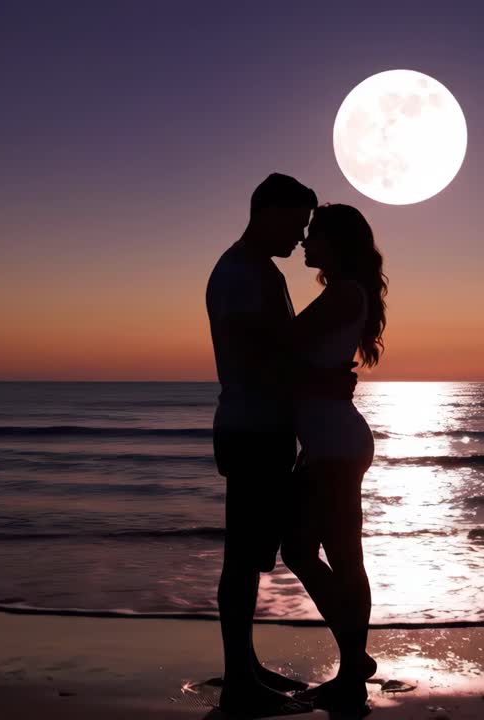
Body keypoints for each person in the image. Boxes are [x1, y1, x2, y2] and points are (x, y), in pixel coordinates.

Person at [205, 173, 355, 715]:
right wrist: (320, 384)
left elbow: (271, 352)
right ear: (268, 212)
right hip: (252, 429)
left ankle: (243, 667)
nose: (301, 236)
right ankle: (240, 683)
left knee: (248, 556)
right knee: (243, 559)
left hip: (259, 428)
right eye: (297, 221)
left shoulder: (256, 271)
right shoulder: (245, 274)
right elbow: (255, 356)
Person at [281, 203, 387, 712]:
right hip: (324, 444)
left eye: (315, 235)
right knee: (301, 551)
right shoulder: (340, 293)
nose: (305, 242)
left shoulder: (344, 294)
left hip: (336, 446)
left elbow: (284, 346)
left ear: (336, 243)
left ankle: (351, 671)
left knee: (343, 557)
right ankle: (355, 655)